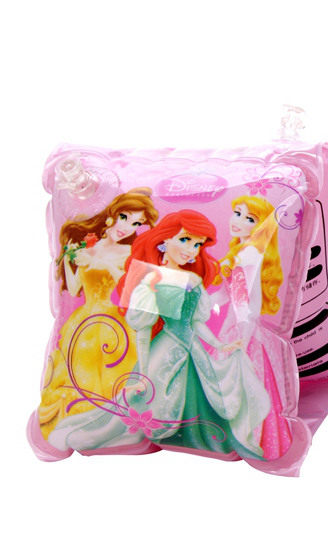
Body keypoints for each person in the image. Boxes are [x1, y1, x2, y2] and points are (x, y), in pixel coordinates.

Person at [49, 210, 270, 459]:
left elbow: (196, 323)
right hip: (165, 351)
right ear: (165, 239)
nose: (191, 249)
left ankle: (196, 438)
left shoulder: (193, 280)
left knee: (203, 399)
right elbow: (143, 332)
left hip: (194, 352)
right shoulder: (149, 279)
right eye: (185, 240)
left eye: (197, 244)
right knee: (154, 405)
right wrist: (143, 374)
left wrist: (219, 345)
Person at [39, 189, 158, 438]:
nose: (127, 227)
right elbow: (75, 289)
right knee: (81, 369)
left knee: (112, 372)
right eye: (125, 217)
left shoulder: (128, 253)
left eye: (136, 223)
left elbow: (126, 286)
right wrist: (69, 260)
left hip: (112, 321)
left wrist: (101, 263)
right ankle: (83, 419)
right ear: (112, 215)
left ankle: (112, 424)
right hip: (83, 320)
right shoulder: (88, 247)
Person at [214, 195, 293, 458]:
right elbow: (228, 295)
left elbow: (247, 300)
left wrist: (242, 335)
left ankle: (244, 438)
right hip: (238, 324)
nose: (238, 221)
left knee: (240, 383)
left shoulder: (248, 254)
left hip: (241, 327)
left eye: (249, 219)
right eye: (237, 213)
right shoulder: (242, 250)